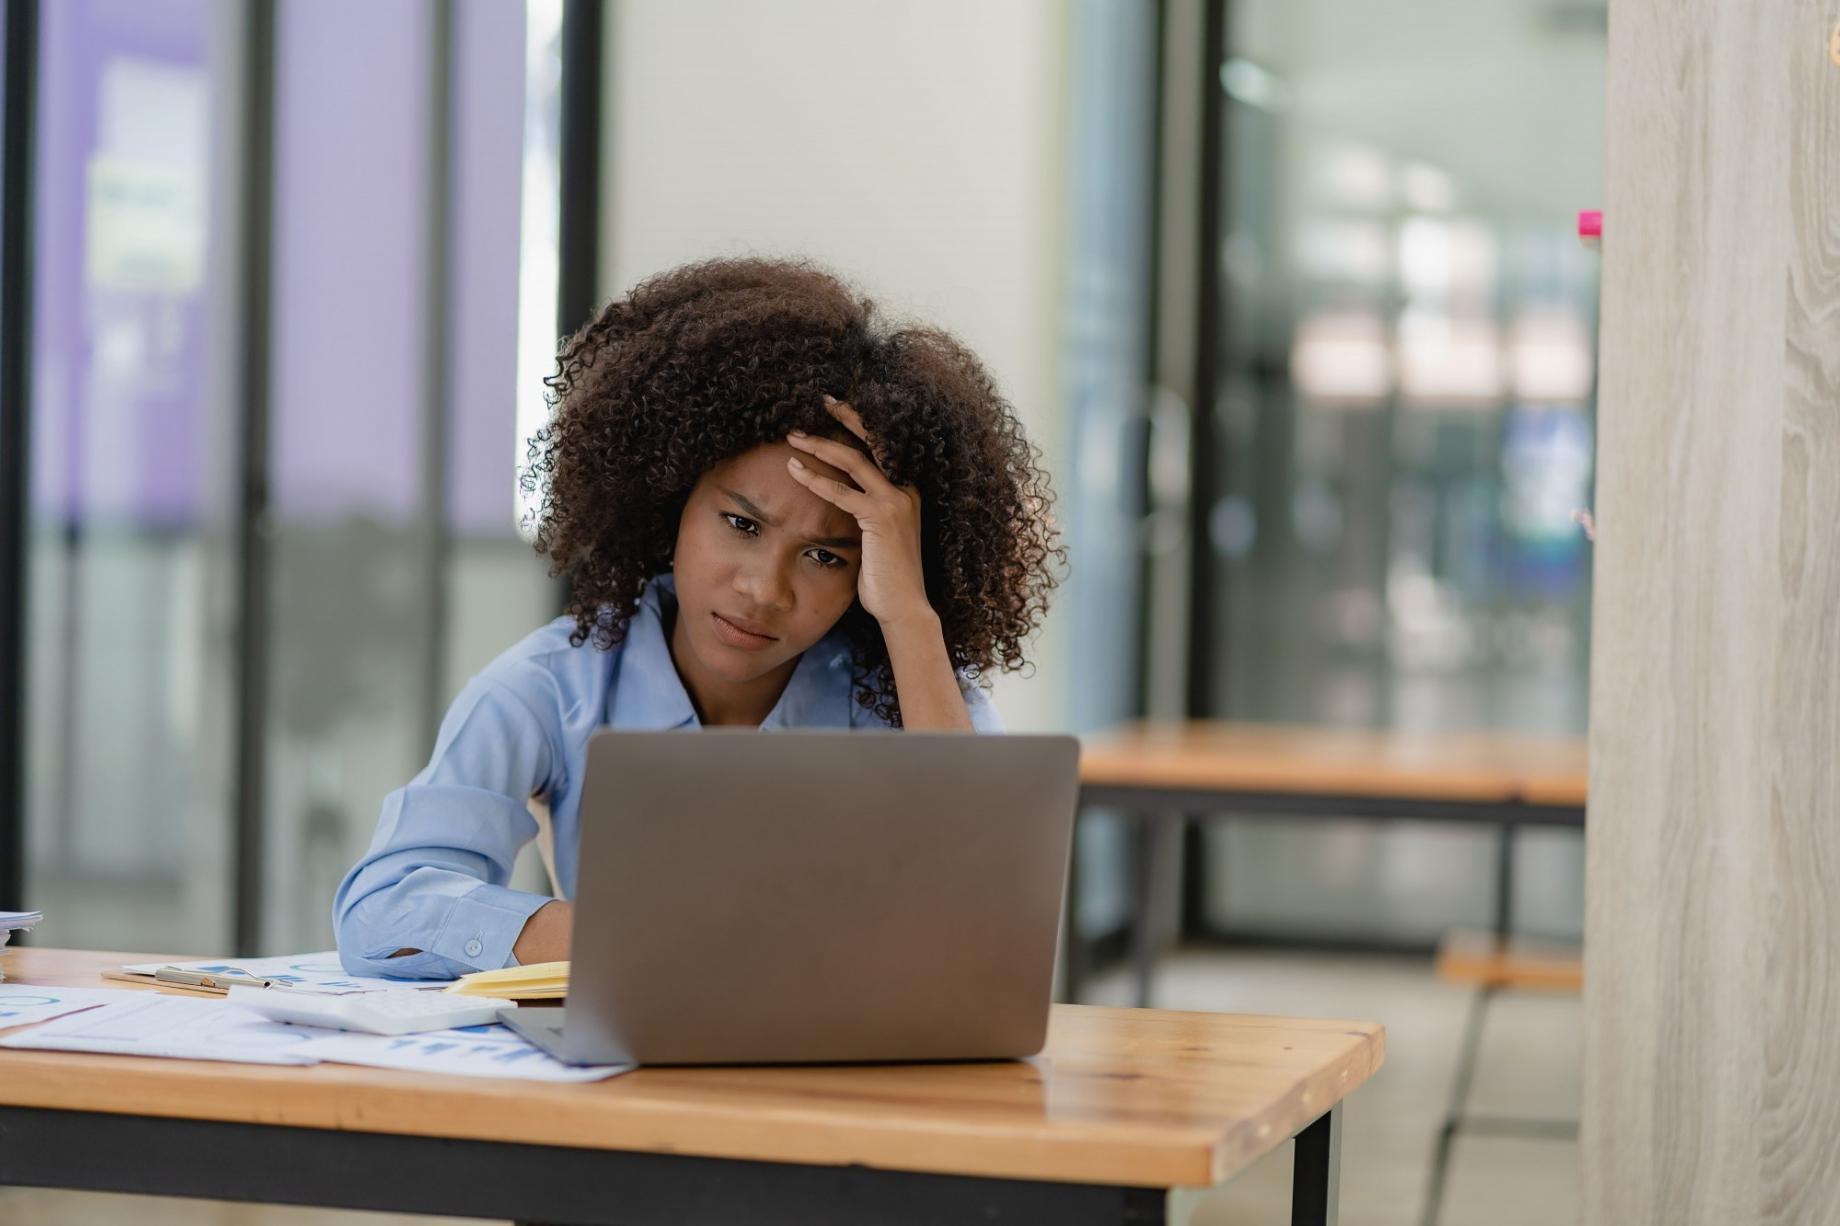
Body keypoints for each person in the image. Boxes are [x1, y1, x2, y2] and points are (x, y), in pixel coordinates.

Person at [333, 257, 1061, 978]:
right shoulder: (553, 688)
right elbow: (382, 908)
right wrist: (644, 942)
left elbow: (987, 926)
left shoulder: (899, 689)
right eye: (742, 525)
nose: (765, 589)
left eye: (828, 557)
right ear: (671, 496)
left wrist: (911, 617)